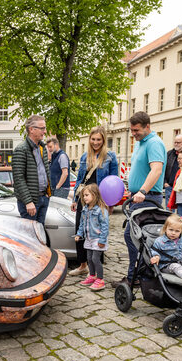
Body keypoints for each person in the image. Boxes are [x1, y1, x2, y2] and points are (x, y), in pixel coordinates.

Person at [120, 112, 166, 287]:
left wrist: (142, 191)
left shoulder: (154, 143)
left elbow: (156, 170)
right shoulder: (140, 143)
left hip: (147, 198)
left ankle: (139, 275)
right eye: (131, 130)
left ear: (147, 126)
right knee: (135, 238)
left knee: (134, 238)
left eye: (136, 130)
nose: (133, 133)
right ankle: (136, 275)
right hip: (138, 198)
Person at [69, 126, 118, 276]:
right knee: (80, 229)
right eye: (93, 139)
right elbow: (79, 179)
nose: (95, 142)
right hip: (84, 199)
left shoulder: (110, 156)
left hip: (100, 200)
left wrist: (111, 203)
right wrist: (75, 199)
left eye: (98, 139)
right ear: (89, 139)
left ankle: (96, 267)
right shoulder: (85, 156)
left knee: (98, 231)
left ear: (103, 140)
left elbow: (114, 181)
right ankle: (83, 264)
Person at [12, 114, 51, 224]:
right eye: (42, 128)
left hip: (43, 197)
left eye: (45, 128)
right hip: (30, 202)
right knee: (30, 236)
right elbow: (18, 179)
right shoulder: (21, 150)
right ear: (31, 130)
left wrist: (48, 193)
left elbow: (44, 171)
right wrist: (28, 201)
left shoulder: (42, 148)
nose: (44, 131)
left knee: (40, 234)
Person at [75, 184, 109, 291]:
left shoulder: (101, 210)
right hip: (88, 238)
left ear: (94, 195)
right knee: (89, 258)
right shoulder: (85, 209)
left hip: (98, 238)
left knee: (95, 258)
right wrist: (79, 234)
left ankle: (100, 280)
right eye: (83, 195)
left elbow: (105, 226)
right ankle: (92, 275)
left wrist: (102, 240)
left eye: (86, 195)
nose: (84, 197)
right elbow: (81, 223)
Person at [164, 135, 182, 209]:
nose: (176, 144)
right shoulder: (169, 154)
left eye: (178, 142)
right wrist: (165, 182)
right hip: (170, 186)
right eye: (175, 142)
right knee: (169, 210)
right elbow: (163, 168)